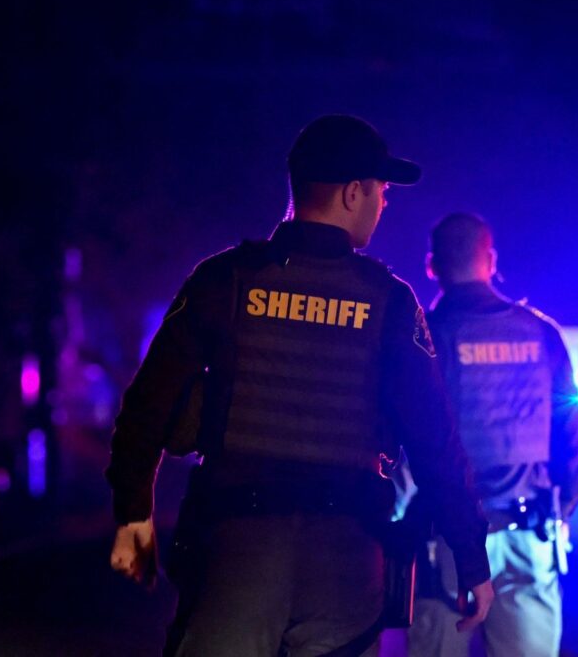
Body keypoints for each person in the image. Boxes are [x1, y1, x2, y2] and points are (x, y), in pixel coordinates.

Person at [106, 116, 494, 657]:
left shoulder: (224, 280)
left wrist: (133, 514)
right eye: (382, 191)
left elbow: (147, 406)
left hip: (233, 552)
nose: (384, 204)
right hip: (344, 563)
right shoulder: (388, 301)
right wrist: (471, 560)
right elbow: (435, 443)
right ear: (354, 192)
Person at [407, 213, 578, 657]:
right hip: (530, 533)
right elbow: (572, 436)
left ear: (433, 266)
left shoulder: (425, 335)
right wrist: (562, 508)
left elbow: (409, 443)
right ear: (490, 260)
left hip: (446, 538)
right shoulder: (541, 334)